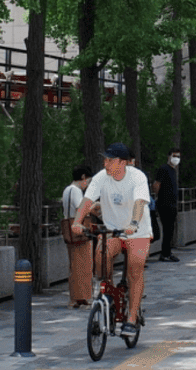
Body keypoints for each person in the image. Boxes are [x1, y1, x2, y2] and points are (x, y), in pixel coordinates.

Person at [73, 143, 152, 337]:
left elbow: (140, 202)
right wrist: (77, 221)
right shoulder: (101, 177)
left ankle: (132, 319)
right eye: (105, 159)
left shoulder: (137, 177)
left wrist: (134, 223)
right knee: (101, 257)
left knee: (135, 267)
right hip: (113, 230)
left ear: (123, 163)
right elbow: (88, 201)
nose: (105, 163)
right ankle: (108, 289)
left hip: (137, 232)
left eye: (110, 160)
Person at [61, 165, 93, 307]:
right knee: (83, 264)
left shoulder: (67, 190)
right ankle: (81, 296)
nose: (88, 184)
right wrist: (94, 205)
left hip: (69, 228)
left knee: (74, 264)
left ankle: (76, 296)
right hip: (78, 229)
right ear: (83, 178)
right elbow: (82, 209)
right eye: (88, 180)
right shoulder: (76, 191)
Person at [152, 147, 181, 262]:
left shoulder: (173, 170)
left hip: (172, 204)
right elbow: (156, 185)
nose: (176, 158)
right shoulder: (164, 168)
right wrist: (161, 197)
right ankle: (165, 254)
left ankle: (167, 252)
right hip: (165, 204)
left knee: (170, 229)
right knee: (168, 228)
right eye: (174, 156)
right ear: (169, 156)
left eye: (178, 156)